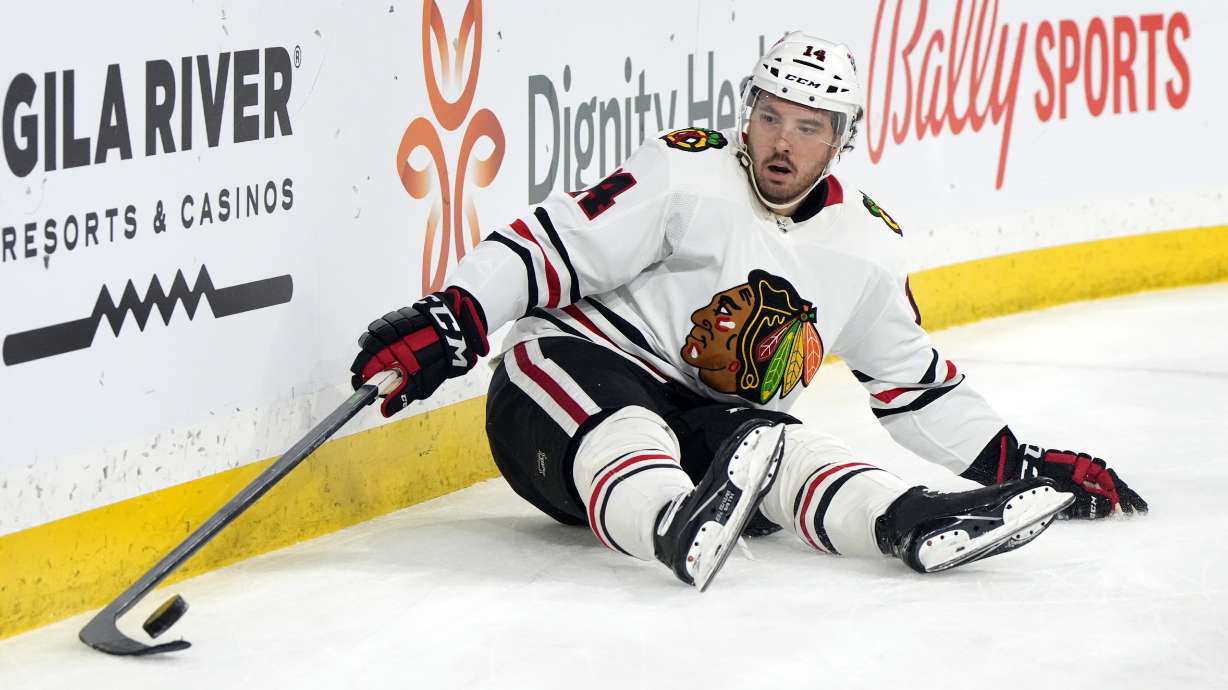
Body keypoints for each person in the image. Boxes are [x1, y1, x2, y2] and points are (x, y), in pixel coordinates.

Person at [350, 31, 1147, 590]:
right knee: (641, 431)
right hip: (568, 377)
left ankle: (910, 521)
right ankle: (671, 522)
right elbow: (553, 245)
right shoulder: (684, 169)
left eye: (807, 128)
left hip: (710, 423)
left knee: (773, 445)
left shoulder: (864, 248)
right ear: (748, 110)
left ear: (843, 140)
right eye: (769, 116)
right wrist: (456, 314)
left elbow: (915, 383)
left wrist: (1016, 465)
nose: (781, 143)